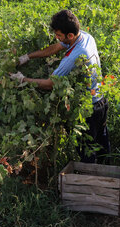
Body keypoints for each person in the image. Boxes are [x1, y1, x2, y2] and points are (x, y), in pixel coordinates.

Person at [10, 10, 110, 164]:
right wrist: (27, 57)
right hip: (101, 101)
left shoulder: (76, 55)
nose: (56, 38)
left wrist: (23, 79)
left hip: (89, 110)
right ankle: (107, 176)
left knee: (87, 151)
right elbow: (55, 48)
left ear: (70, 35)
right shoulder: (84, 36)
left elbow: (50, 84)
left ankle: (92, 184)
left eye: (59, 35)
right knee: (102, 145)